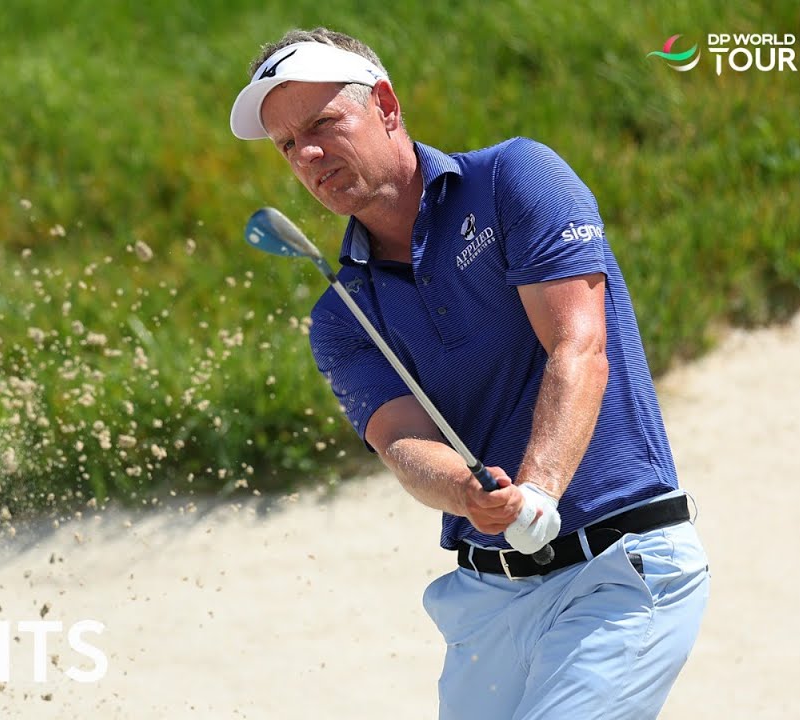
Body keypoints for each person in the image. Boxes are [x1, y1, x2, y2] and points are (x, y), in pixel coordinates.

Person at [230, 27, 710, 719]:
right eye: (286, 145)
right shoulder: (340, 315)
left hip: (621, 572)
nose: (307, 155)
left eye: (323, 124)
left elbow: (579, 346)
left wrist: (538, 491)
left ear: (386, 106)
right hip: (488, 608)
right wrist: (465, 490)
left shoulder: (515, 177)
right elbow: (401, 441)